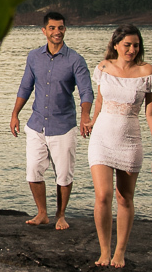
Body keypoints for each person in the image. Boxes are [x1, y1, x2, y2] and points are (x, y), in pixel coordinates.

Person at [86, 24, 152, 268]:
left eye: (136, 45)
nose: (131, 49)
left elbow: (151, 111)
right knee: (103, 196)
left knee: (125, 198)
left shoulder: (147, 71)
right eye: (127, 44)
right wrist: (90, 121)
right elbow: (100, 100)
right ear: (116, 44)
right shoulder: (104, 67)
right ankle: (104, 251)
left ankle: (120, 252)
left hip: (130, 139)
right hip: (101, 137)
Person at [10, 12, 94, 230]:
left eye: (61, 28)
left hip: (64, 126)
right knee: (33, 170)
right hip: (36, 124)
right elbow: (25, 87)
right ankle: (42, 213)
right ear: (44, 30)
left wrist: (86, 116)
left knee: (64, 175)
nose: (57, 32)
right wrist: (15, 114)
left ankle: (61, 215)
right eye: (53, 28)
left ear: (65, 30)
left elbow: (86, 91)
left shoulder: (76, 60)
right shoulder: (33, 57)